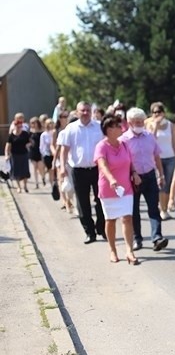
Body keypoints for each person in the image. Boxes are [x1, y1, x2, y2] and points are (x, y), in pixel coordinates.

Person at [94, 114, 141, 265]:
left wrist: (134, 173)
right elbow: (102, 165)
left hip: (125, 188)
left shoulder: (124, 144)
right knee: (111, 219)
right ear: (108, 130)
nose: (119, 128)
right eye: (115, 126)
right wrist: (111, 179)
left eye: (119, 125)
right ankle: (113, 250)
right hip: (108, 188)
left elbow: (130, 161)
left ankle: (129, 251)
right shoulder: (101, 146)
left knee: (127, 218)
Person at [119, 107, 168, 252]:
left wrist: (161, 174)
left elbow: (157, 155)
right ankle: (137, 239)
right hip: (132, 179)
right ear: (129, 123)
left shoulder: (149, 136)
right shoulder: (123, 140)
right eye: (137, 122)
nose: (140, 124)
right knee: (134, 210)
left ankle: (157, 237)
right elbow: (122, 162)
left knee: (154, 208)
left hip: (150, 175)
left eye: (141, 121)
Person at [59, 102, 106, 244]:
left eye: (87, 110)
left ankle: (101, 228)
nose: (85, 113)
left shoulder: (99, 127)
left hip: (98, 169)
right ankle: (89, 232)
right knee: (82, 203)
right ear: (77, 112)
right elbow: (64, 150)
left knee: (101, 200)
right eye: (82, 110)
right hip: (78, 170)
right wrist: (62, 168)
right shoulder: (71, 129)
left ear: (91, 112)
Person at [148, 103, 175, 220]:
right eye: (154, 112)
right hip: (157, 158)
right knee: (161, 184)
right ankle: (162, 209)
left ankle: (165, 208)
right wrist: (155, 125)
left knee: (169, 184)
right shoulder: (150, 125)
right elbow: (151, 140)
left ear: (163, 113)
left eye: (159, 112)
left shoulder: (170, 125)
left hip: (170, 157)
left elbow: (174, 143)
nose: (157, 114)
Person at [4, 113, 31, 193]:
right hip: (15, 155)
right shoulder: (11, 136)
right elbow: (8, 146)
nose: (19, 127)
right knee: (16, 171)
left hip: (24, 154)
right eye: (18, 126)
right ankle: (18, 187)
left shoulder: (25, 134)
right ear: (15, 126)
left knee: (25, 171)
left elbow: (30, 142)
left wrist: (28, 145)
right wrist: (6, 154)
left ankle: (25, 186)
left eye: (20, 126)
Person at [28, 117, 46, 188]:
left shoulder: (42, 131)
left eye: (34, 122)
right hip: (32, 151)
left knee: (40, 167)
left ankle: (43, 177)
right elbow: (27, 140)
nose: (33, 124)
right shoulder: (30, 132)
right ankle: (36, 183)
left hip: (40, 151)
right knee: (34, 167)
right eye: (31, 123)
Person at [39, 118, 56, 188]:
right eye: (49, 124)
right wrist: (44, 153)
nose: (51, 125)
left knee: (54, 170)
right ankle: (52, 185)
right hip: (47, 154)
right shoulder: (44, 135)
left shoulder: (55, 132)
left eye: (51, 123)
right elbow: (42, 146)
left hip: (55, 154)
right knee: (50, 170)